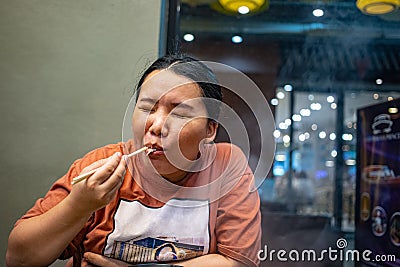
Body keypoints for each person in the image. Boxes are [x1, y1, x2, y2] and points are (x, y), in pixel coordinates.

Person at [6, 54, 261, 267]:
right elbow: (18, 259)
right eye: (147, 108)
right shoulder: (101, 167)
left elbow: (237, 261)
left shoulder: (225, 166)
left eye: (181, 113)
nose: (157, 125)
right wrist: (80, 204)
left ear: (210, 130)